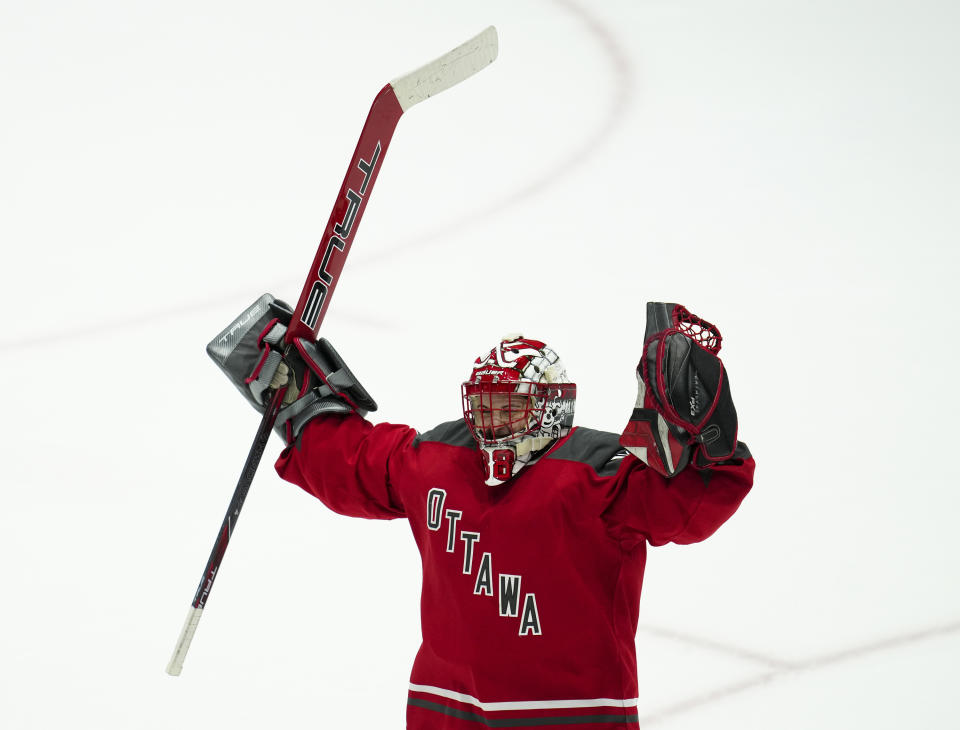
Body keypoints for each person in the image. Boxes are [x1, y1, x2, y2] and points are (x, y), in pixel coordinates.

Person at [207, 296, 755, 729]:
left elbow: (693, 502)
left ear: (550, 405)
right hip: (447, 713)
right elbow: (352, 462)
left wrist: (710, 440)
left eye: (508, 407)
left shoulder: (601, 473)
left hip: (567, 717)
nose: (490, 424)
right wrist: (302, 406)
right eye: (483, 405)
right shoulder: (437, 459)